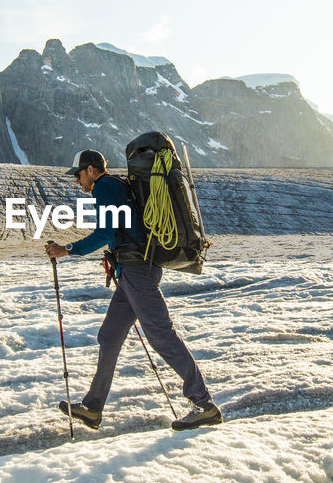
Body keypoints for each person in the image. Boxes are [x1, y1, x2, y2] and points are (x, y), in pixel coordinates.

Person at [44, 149, 222, 431]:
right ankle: (93, 407)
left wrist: (68, 249)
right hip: (130, 271)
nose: (77, 181)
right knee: (110, 335)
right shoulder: (118, 187)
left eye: (78, 175)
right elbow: (118, 232)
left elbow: (105, 231)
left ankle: (204, 404)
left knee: (161, 335)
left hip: (137, 272)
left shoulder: (105, 187)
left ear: (91, 170)